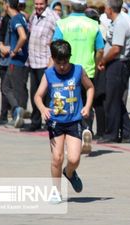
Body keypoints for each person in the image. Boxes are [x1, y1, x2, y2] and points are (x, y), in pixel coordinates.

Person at [34, 40, 94, 201]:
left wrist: (87, 106)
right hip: (56, 122)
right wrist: (43, 108)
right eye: (59, 63)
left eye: (65, 62)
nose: (62, 66)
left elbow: (90, 87)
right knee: (57, 157)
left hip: (74, 121)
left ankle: (69, 172)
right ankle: (55, 191)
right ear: (53, 59)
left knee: (74, 158)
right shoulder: (49, 74)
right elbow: (38, 96)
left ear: (69, 58)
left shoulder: (78, 71)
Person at [53, 0, 104, 152]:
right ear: (85, 6)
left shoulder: (62, 23)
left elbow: (55, 46)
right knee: (86, 101)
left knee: (69, 104)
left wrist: (56, 65)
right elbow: (100, 49)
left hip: (67, 68)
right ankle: (87, 128)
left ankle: (73, 139)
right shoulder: (94, 25)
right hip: (87, 69)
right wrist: (95, 63)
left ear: (70, 5)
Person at [96, 0, 130, 144]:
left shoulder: (120, 23)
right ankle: (127, 132)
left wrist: (103, 61)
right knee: (115, 99)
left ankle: (112, 134)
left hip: (117, 63)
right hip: (114, 63)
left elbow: (116, 49)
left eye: (105, 8)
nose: (104, 10)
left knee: (112, 100)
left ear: (110, 9)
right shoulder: (117, 21)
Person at [24, 0, 60, 132]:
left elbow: (60, 36)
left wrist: (54, 59)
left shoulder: (53, 17)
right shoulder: (34, 15)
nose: (38, 7)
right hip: (33, 61)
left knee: (48, 95)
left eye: (41, 4)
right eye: (36, 4)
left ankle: (51, 122)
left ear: (46, 3)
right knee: (35, 94)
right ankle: (35, 122)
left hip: (46, 62)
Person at [2, 0, 29, 128]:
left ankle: (18, 112)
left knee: (12, 88)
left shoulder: (15, 19)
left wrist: (15, 50)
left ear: (7, 5)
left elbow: (23, 36)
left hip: (17, 61)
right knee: (7, 87)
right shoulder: (21, 17)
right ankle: (18, 112)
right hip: (19, 61)